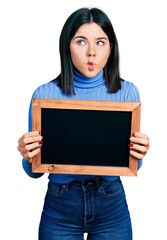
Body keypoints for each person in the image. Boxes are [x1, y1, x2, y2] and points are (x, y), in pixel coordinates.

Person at [17, 7, 150, 240]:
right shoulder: (45, 95)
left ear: (111, 48)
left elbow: (131, 166)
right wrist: (28, 157)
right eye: (81, 42)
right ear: (67, 46)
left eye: (100, 42)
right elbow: (33, 172)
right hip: (60, 205)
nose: (91, 52)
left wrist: (139, 155)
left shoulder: (128, 92)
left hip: (111, 204)